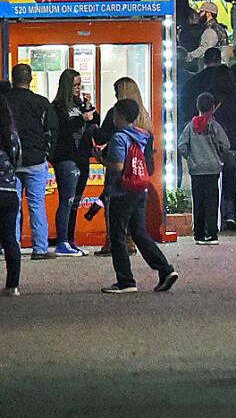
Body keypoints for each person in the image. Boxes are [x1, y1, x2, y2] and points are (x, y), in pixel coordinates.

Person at [100, 98, 178, 294]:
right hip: (140, 189)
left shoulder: (119, 137)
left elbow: (118, 166)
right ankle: (165, 269)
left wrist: (101, 159)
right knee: (139, 232)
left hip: (122, 191)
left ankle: (126, 280)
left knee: (117, 234)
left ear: (120, 116)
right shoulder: (142, 135)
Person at [0, 64, 54, 261]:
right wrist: (47, 153)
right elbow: (52, 130)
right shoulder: (41, 102)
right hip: (36, 160)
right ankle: (40, 248)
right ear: (30, 79)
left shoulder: (5, 101)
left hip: (10, 163)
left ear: (13, 78)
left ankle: (11, 246)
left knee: (12, 207)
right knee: (37, 204)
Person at [49, 69, 98, 256]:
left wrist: (89, 106)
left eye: (80, 85)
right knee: (67, 201)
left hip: (82, 157)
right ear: (67, 86)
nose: (78, 89)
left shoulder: (79, 104)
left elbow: (94, 124)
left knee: (76, 202)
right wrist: (80, 119)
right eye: (75, 85)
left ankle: (70, 240)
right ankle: (62, 242)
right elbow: (61, 131)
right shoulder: (57, 107)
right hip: (66, 157)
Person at [177, 93, 232, 246]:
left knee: (198, 201)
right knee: (212, 202)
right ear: (213, 107)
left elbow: (181, 145)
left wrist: (191, 157)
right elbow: (226, 145)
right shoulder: (214, 126)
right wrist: (219, 156)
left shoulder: (190, 126)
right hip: (213, 169)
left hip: (196, 169)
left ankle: (199, 234)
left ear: (197, 107)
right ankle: (212, 234)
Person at [208, 61, 236, 230]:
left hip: (212, 146)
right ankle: (230, 214)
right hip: (232, 145)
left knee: (214, 182)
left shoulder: (210, 97)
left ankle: (216, 214)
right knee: (230, 182)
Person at [0, 92, 22, 294]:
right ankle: (12, 285)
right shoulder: (11, 135)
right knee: (9, 239)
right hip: (9, 191)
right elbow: (18, 160)